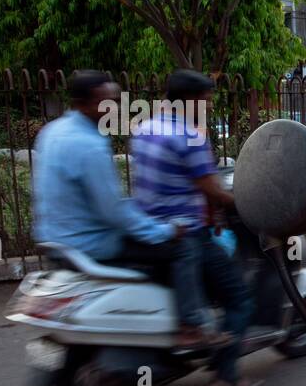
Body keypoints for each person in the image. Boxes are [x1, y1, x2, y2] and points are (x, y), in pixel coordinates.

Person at [32, 71, 219, 350]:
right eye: (104, 102)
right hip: (92, 242)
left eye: (115, 101)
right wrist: (164, 231)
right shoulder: (90, 145)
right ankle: (191, 327)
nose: (113, 108)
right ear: (83, 104)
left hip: (55, 238)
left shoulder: (52, 131)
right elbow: (113, 211)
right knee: (183, 248)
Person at [132, 70, 262, 386]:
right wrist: (246, 202)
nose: (208, 106)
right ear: (189, 101)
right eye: (205, 100)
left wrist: (214, 210)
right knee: (239, 298)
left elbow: (183, 181)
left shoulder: (146, 127)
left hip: (149, 231)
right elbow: (211, 187)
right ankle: (226, 379)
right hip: (185, 234)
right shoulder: (189, 135)